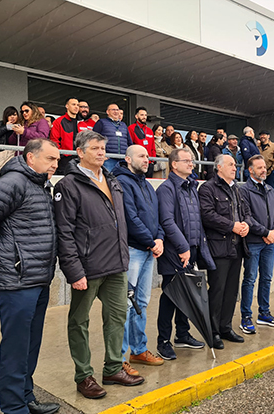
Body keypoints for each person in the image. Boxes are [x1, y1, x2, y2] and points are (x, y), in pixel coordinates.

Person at [0, 139, 61, 414]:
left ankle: (26, 398)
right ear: (30, 158)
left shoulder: (40, 184)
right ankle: (14, 408)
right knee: (15, 350)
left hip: (37, 280)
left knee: (29, 347)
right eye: (50, 159)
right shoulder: (12, 183)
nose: (55, 164)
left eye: (57, 160)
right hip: (16, 283)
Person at [54, 130, 143, 400]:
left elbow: (121, 224)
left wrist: (124, 257)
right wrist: (74, 271)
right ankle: (84, 376)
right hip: (87, 267)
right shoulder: (68, 185)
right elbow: (64, 232)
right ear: (80, 152)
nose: (102, 152)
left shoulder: (112, 180)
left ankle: (113, 368)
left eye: (103, 148)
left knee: (117, 316)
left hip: (116, 265)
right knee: (79, 321)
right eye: (95, 148)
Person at [155, 148, 215, 360]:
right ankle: (163, 341)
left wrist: (196, 248)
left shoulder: (191, 187)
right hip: (175, 251)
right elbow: (167, 221)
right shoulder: (166, 189)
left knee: (187, 294)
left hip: (192, 250)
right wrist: (183, 248)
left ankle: (182, 334)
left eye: (192, 161)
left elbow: (196, 220)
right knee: (171, 296)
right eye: (187, 161)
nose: (192, 164)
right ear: (174, 164)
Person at [111, 145, 165, 373]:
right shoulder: (122, 182)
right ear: (127, 159)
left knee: (141, 303)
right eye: (141, 156)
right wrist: (152, 241)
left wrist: (159, 238)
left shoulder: (146, 184)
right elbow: (130, 219)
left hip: (148, 250)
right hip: (133, 251)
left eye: (147, 156)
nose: (147, 159)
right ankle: (120, 358)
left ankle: (139, 350)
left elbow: (157, 217)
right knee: (125, 306)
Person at [199, 154, 251, 348]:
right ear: (218, 167)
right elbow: (207, 215)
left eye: (235, 165)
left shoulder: (236, 189)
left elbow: (245, 212)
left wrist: (245, 224)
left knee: (231, 290)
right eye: (230, 164)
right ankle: (212, 332)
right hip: (219, 247)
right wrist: (232, 226)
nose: (234, 167)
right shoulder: (207, 188)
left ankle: (226, 326)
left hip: (237, 246)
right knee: (217, 290)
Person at [239, 155, 274, 334]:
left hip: (269, 242)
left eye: (264, 167)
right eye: (259, 168)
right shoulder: (244, 190)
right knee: (250, 279)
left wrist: (273, 232)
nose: (263, 170)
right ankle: (246, 317)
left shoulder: (271, 189)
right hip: (254, 242)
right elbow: (246, 217)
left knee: (266, 278)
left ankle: (264, 313)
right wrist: (265, 233)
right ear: (251, 170)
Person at [93, 103, 131, 171]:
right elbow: (94, 140)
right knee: (108, 179)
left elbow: (129, 141)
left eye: (117, 110)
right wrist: (101, 154)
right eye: (113, 110)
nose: (116, 112)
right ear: (107, 112)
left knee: (122, 179)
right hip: (109, 158)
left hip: (123, 159)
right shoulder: (101, 122)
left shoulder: (123, 125)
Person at [50, 97, 80, 174]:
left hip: (80, 157)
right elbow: (54, 140)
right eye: (73, 104)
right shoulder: (59, 121)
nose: (76, 107)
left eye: (78, 105)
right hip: (65, 158)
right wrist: (60, 155)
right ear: (67, 106)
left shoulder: (82, 123)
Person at [128, 106, 156, 178]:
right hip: (138, 162)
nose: (144, 117)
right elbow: (130, 145)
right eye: (142, 115)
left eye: (145, 115)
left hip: (149, 163)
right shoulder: (131, 128)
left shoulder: (149, 130)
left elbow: (153, 146)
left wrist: (152, 160)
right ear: (136, 116)